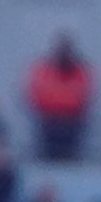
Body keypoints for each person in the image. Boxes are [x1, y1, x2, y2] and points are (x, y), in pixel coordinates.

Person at [24, 34, 94, 163]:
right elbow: (40, 93)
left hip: (72, 121)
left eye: (67, 50)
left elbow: (81, 95)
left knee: (69, 156)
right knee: (47, 156)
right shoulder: (43, 69)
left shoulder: (80, 71)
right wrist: (62, 96)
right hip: (48, 120)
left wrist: (62, 97)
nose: (64, 53)